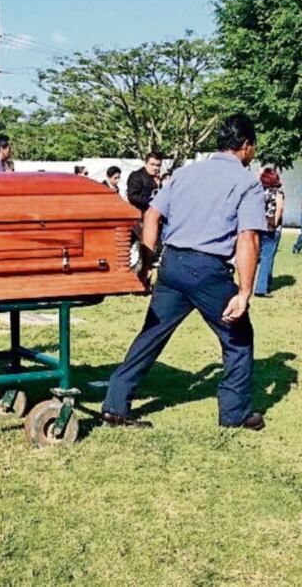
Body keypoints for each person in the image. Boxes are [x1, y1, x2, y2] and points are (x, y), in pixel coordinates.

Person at [101, 114, 266, 430]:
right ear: (246, 146)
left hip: (172, 265)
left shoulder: (185, 174)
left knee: (152, 333)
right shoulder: (247, 182)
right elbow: (249, 238)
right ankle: (235, 413)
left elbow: (151, 215)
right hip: (208, 271)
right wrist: (244, 292)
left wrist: (146, 265)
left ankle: (115, 404)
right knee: (238, 337)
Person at [254, 167, 285, 298]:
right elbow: (279, 208)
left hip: (259, 225)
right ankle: (261, 288)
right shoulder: (278, 192)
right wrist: (275, 223)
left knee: (264, 255)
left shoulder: (258, 191)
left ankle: (268, 282)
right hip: (271, 227)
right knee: (268, 256)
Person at [126, 152, 161, 218]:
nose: (155, 168)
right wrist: (153, 202)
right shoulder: (136, 176)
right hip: (141, 216)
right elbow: (133, 197)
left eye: (158, 165)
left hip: (155, 216)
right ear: (145, 164)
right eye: (152, 164)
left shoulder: (158, 178)